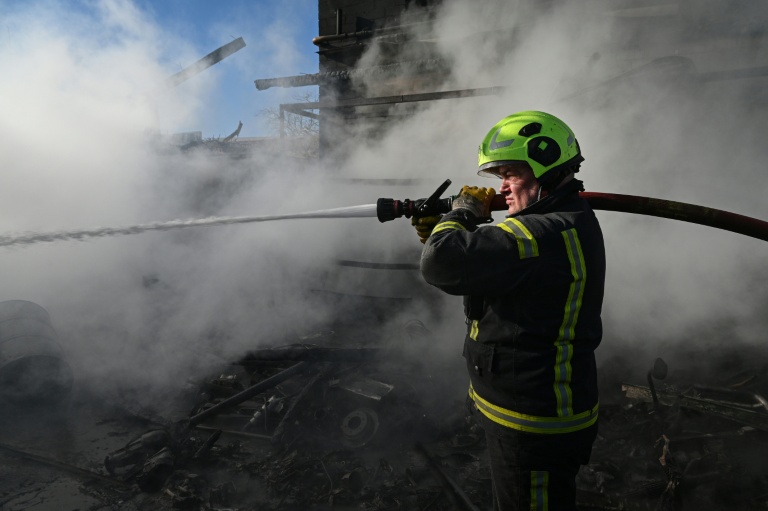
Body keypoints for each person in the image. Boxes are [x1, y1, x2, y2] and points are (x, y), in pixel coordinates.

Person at [414, 111, 605, 510]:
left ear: (546, 169)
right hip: (526, 413)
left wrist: (460, 215)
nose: (501, 189)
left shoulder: (540, 234)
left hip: (532, 425)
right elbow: (472, 265)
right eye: (499, 176)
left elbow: (441, 265)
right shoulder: (561, 224)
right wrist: (441, 232)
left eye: (511, 175)